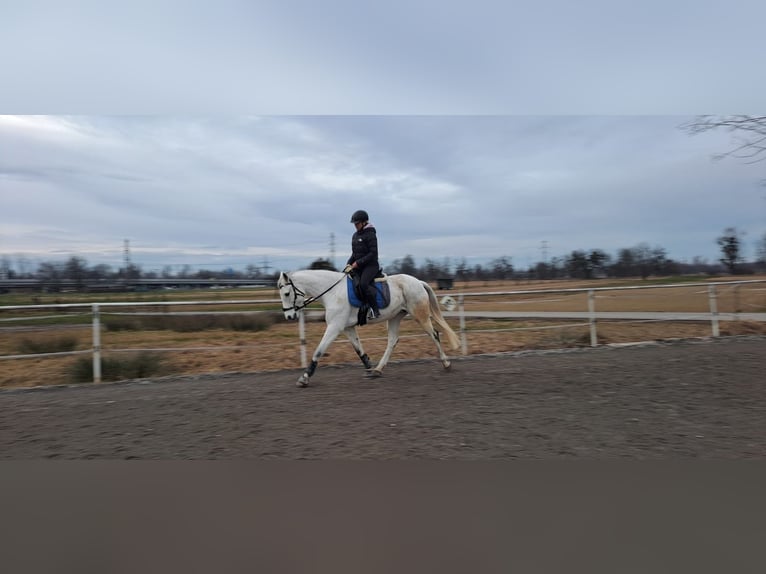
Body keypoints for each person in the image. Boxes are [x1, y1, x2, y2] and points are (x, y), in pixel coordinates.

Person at [343, 209, 381, 319]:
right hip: (360, 266)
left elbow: (373, 253)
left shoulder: (370, 234)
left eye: (357, 223)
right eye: (354, 224)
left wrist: (357, 263)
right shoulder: (355, 236)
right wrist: (348, 264)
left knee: (364, 283)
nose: (355, 225)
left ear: (364, 222)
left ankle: (375, 309)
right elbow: (355, 254)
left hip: (371, 265)